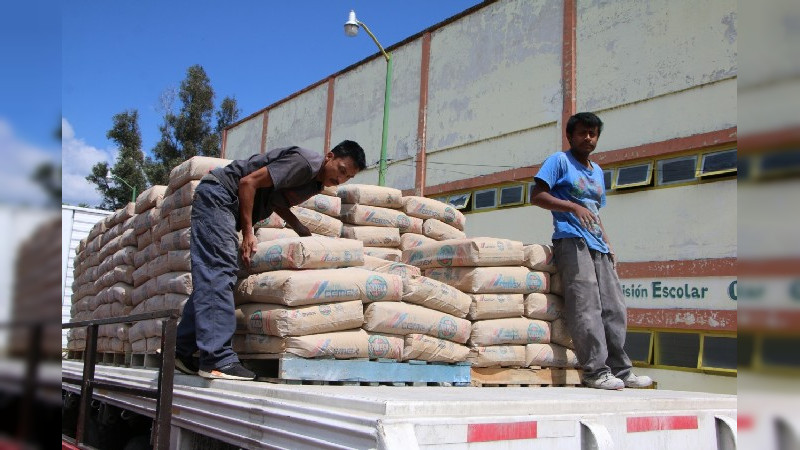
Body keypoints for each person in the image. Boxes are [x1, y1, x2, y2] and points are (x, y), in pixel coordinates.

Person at [175, 140, 366, 380]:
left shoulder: (316, 182)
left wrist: (298, 225)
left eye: (347, 177)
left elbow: (276, 198)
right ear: (329, 156)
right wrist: (248, 233)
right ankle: (216, 359)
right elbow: (248, 183)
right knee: (219, 272)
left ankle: (180, 351)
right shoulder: (305, 163)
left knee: (213, 277)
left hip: (226, 202)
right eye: (341, 170)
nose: (340, 179)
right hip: (220, 196)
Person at [530, 112, 652, 390]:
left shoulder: (597, 171)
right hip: (572, 240)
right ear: (570, 136)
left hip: (598, 244)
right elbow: (536, 195)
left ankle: (621, 371)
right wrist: (572, 207)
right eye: (583, 132)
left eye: (593, 133)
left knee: (615, 307)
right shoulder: (559, 161)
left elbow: (595, 212)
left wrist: (608, 244)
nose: (588, 138)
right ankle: (595, 371)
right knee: (587, 307)